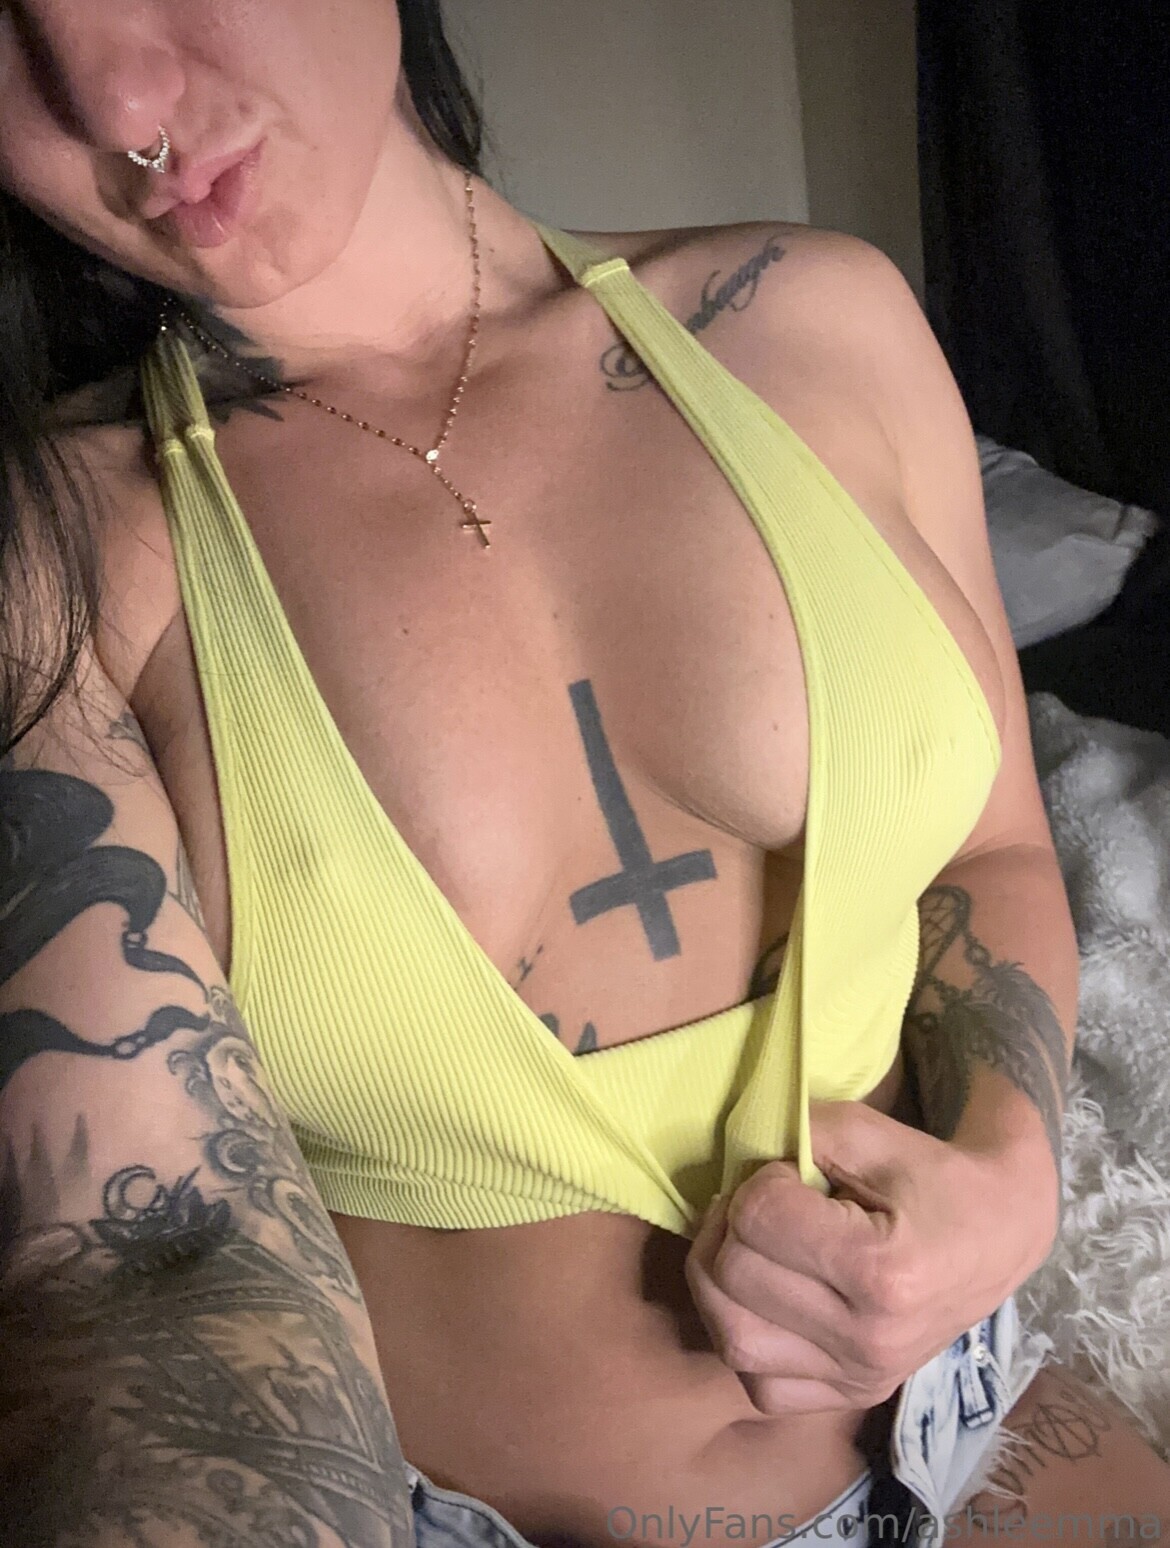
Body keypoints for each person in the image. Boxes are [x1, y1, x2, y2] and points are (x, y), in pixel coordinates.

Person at [0, 3, 1167, 1545]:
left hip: (971, 1405)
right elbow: (143, 1257)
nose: (112, 96)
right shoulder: (57, 558)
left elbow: (989, 853)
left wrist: (1010, 1177)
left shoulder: (815, 319)